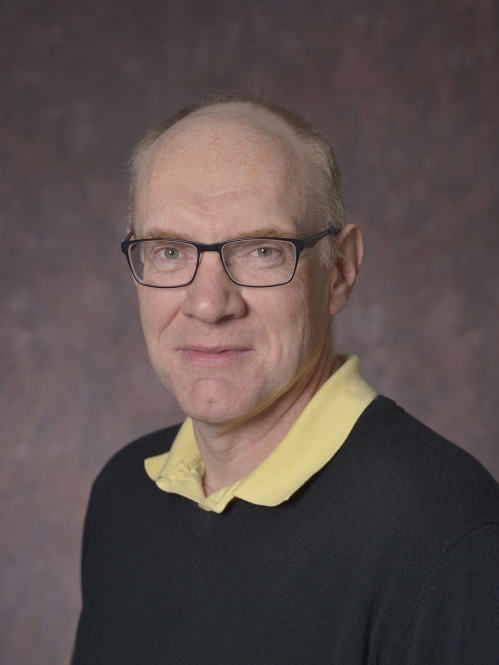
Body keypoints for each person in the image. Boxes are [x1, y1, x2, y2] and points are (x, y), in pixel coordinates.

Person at [72, 92, 499, 665]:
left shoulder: (448, 535)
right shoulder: (125, 497)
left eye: (261, 251)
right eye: (170, 250)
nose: (207, 304)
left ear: (340, 271)